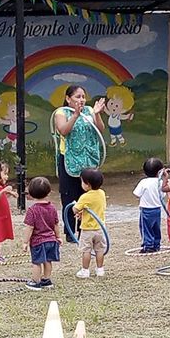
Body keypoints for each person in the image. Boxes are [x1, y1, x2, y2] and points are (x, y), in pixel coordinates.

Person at [54, 85, 105, 242]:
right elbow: (63, 130)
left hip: (88, 160)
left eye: (83, 96)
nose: (81, 100)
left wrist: (97, 114)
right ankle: (70, 232)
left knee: (87, 195)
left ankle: (85, 229)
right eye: (77, 96)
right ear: (68, 98)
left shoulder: (89, 110)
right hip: (69, 159)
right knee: (69, 196)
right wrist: (75, 115)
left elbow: (100, 130)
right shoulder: (61, 112)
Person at [23, 176, 62, 290]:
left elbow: (29, 227)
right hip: (51, 240)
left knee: (37, 262)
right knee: (48, 261)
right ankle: (46, 280)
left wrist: (25, 242)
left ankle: (36, 282)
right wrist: (58, 237)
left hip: (38, 242)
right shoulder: (52, 208)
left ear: (31, 194)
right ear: (49, 192)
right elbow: (56, 224)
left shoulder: (32, 210)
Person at [73, 168, 107, 278]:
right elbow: (94, 207)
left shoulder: (85, 197)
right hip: (100, 228)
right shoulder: (102, 193)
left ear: (87, 184)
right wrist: (83, 212)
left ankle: (85, 270)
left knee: (86, 250)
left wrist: (75, 207)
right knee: (99, 250)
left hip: (87, 229)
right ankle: (100, 270)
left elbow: (75, 209)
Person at [133, 157, 165, 253]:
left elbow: (136, 194)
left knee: (146, 228)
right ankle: (156, 244)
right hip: (157, 209)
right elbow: (163, 195)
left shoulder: (143, 182)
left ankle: (148, 245)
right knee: (156, 227)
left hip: (146, 209)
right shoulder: (160, 182)